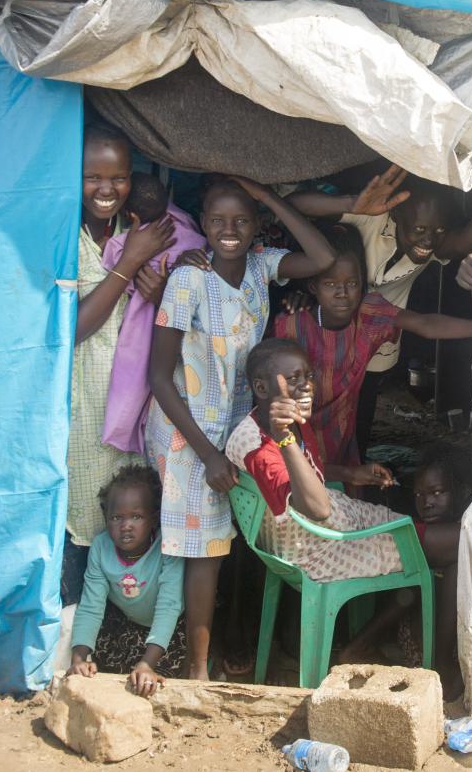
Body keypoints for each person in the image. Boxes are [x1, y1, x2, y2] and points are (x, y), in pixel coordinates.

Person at [146, 176, 333, 680]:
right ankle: (197, 671)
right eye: (218, 221)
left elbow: (322, 258)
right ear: (203, 224)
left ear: (256, 225)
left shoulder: (260, 265)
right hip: (188, 433)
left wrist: (269, 199)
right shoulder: (188, 280)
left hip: (235, 430)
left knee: (235, 540)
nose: (230, 230)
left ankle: (224, 649)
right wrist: (207, 454)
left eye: (242, 220)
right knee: (205, 550)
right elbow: (158, 378)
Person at [224, 338, 464, 697]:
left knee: (430, 536)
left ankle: (363, 643)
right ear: (261, 387)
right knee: (464, 543)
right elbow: (316, 508)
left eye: (308, 375)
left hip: (334, 522)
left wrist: (351, 474)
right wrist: (284, 438)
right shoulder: (262, 444)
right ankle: (442, 665)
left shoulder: (277, 419)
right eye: (294, 378)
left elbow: (310, 475)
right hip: (320, 548)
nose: (307, 385)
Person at [287, 164, 472, 451]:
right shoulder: (370, 218)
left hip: (376, 345)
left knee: (360, 418)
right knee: (316, 411)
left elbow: (459, 246)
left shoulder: (430, 245)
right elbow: (294, 206)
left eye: (438, 230)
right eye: (419, 229)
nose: (428, 240)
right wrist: (350, 204)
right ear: (396, 216)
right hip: (327, 339)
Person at [274, 225, 472, 472]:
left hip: (341, 443)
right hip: (294, 444)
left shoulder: (369, 313)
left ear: (362, 282)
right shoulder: (290, 325)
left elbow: (426, 324)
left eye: (351, 283)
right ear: (313, 286)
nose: (342, 293)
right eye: (330, 283)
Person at [66, 127, 173, 607]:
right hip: (84, 400)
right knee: (85, 508)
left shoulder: (142, 230)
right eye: (92, 177)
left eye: (119, 177)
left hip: (135, 402)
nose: (106, 189)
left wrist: (158, 291)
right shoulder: (63, 234)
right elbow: (72, 329)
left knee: (133, 504)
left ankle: (132, 610)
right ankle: (78, 616)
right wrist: (129, 264)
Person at [100, 173, 208, 454]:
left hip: (147, 313)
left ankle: (123, 431)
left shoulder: (126, 242)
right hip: (177, 318)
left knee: (134, 375)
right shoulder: (184, 223)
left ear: (130, 215)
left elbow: (111, 263)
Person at [68, 465, 185, 697]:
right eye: (116, 517)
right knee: (110, 669)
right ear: (105, 517)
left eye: (136, 516)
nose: (126, 526)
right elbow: (91, 606)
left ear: (154, 518)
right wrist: (78, 658)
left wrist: (148, 664)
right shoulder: (101, 547)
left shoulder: (168, 545)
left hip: (171, 626)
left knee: (157, 677)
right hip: (129, 622)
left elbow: (169, 606)